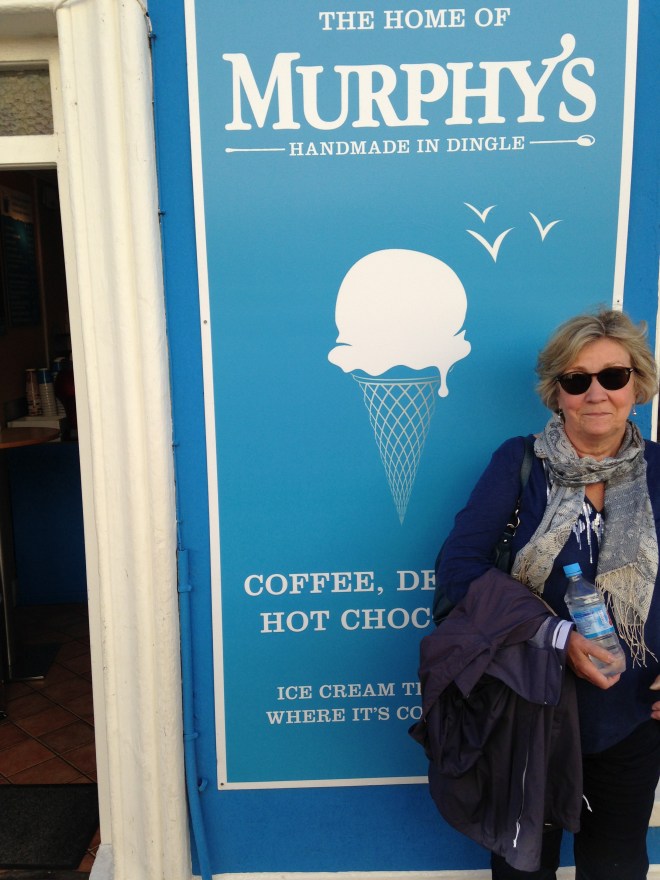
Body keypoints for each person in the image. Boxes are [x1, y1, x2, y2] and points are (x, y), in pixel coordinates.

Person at [436, 308, 660, 880]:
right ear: (557, 393)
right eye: (576, 379)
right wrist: (555, 636)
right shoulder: (520, 463)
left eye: (613, 376)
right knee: (522, 869)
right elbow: (458, 569)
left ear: (637, 383)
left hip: (632, 718)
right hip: (529, 709)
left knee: (616, 867)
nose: (596, 394)